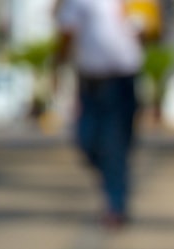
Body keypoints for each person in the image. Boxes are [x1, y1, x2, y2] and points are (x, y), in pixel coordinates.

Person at [53, 0, 154, 229]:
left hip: (123, 82)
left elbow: (150, 34)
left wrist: (133, 20)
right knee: (85, 141)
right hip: (90, 82)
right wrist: (58, 64)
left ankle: (116, 205)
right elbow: (67, 32)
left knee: (116, 146)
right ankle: (114, 182)